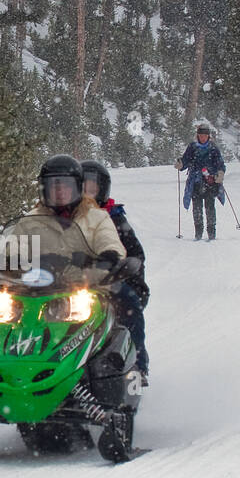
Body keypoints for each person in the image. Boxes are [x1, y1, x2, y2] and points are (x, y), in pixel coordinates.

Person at [81, 159, 149, 379]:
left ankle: (138, 366)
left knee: (129, 306)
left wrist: (123, 271)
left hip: (110, 281)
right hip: (70, 282)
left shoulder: (115, 217)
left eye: (92, 187)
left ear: (102, 189)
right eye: (82, 187)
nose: (87, 193)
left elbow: (136, 254)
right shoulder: (66, 217)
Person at [175, 125, 226, 241]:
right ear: (197, 135)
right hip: (196, 182)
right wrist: (181, 164)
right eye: (201, 135)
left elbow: (220, 164)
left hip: (210, 181)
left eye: (205, 135)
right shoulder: (192, 147)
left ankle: (211, 233)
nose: (203, 138)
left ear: (208, 136)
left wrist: (220, 173)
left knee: (210, 208)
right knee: (197, 209)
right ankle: (198, 233)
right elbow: (186, 160)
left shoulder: (213, 148)